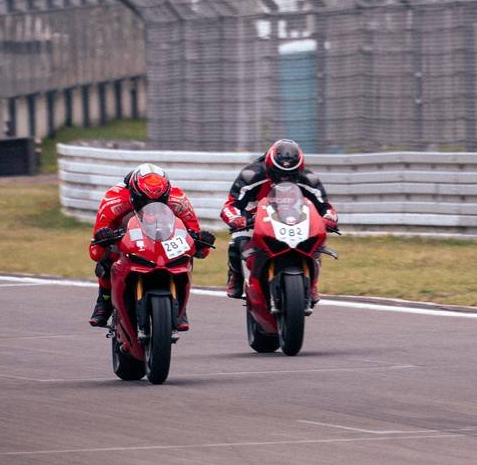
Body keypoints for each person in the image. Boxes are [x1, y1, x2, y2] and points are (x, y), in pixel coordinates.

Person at [88, 162, 214, 329]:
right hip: (126, 236)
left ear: (167, 194)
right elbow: (95, 251)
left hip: (163, 235)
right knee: (106, 255)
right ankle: (104, 300)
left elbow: (200, 246)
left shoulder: (178, 199)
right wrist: (105, 237)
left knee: (185, 251)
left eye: (160, 200)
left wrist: (200, 240)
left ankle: (180, 305)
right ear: (133, 194)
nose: (150, 205)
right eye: (144, 200)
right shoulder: (114, 199)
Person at [221, 139, 338, 303]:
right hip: (255, 219)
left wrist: (329, 218)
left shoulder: (309, 179)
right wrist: (236, 218)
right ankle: (237, 277)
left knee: (316, 244)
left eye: (291, 175)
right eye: (279, 173)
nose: (284, 178)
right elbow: (231, 204)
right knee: (238, 242)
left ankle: (311, 284)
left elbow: (325, 207)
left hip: (296, 219)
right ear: (269, 166)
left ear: (300, 169)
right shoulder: (251, 175)